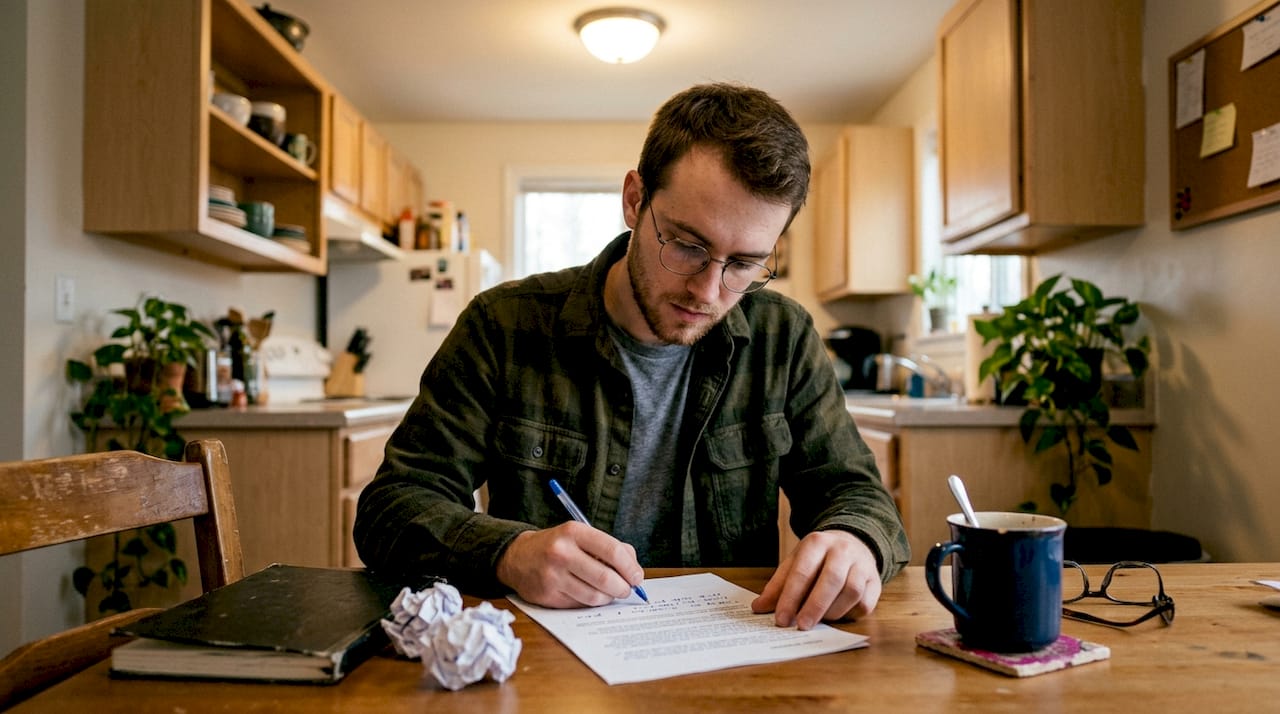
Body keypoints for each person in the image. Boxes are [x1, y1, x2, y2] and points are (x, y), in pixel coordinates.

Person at [355, 82, 910, 630]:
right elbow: (391, 508)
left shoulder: (783, 338)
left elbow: (856, 493)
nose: (708, 291)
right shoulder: (504, 325)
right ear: (634, 200)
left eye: (744, 263)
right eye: (688, 246)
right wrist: (510, 552)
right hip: (545, 670)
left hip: (732, 659)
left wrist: (854, 541)